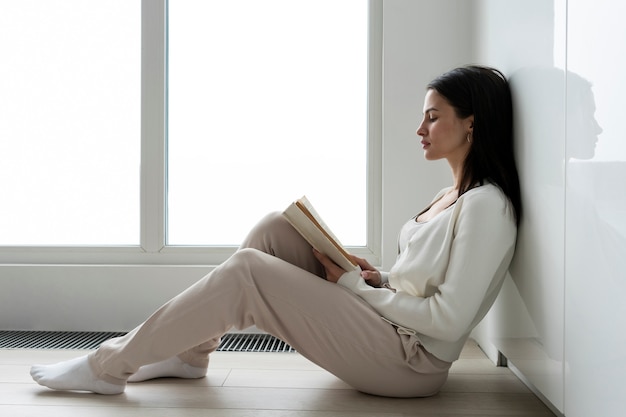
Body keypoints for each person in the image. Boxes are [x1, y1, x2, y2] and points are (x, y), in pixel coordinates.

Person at [30, 65, 521, 398]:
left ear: (472, 125)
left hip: (410, 362)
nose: (420, 128)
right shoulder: (449, 196)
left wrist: (351, 286)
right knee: (274, 230)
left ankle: (106, 367)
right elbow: (423, 280)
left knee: (248, 271)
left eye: (433, 117)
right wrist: (379, 278)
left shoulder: (487, 207)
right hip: (390, 325)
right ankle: (188, 355)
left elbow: (450, 320)